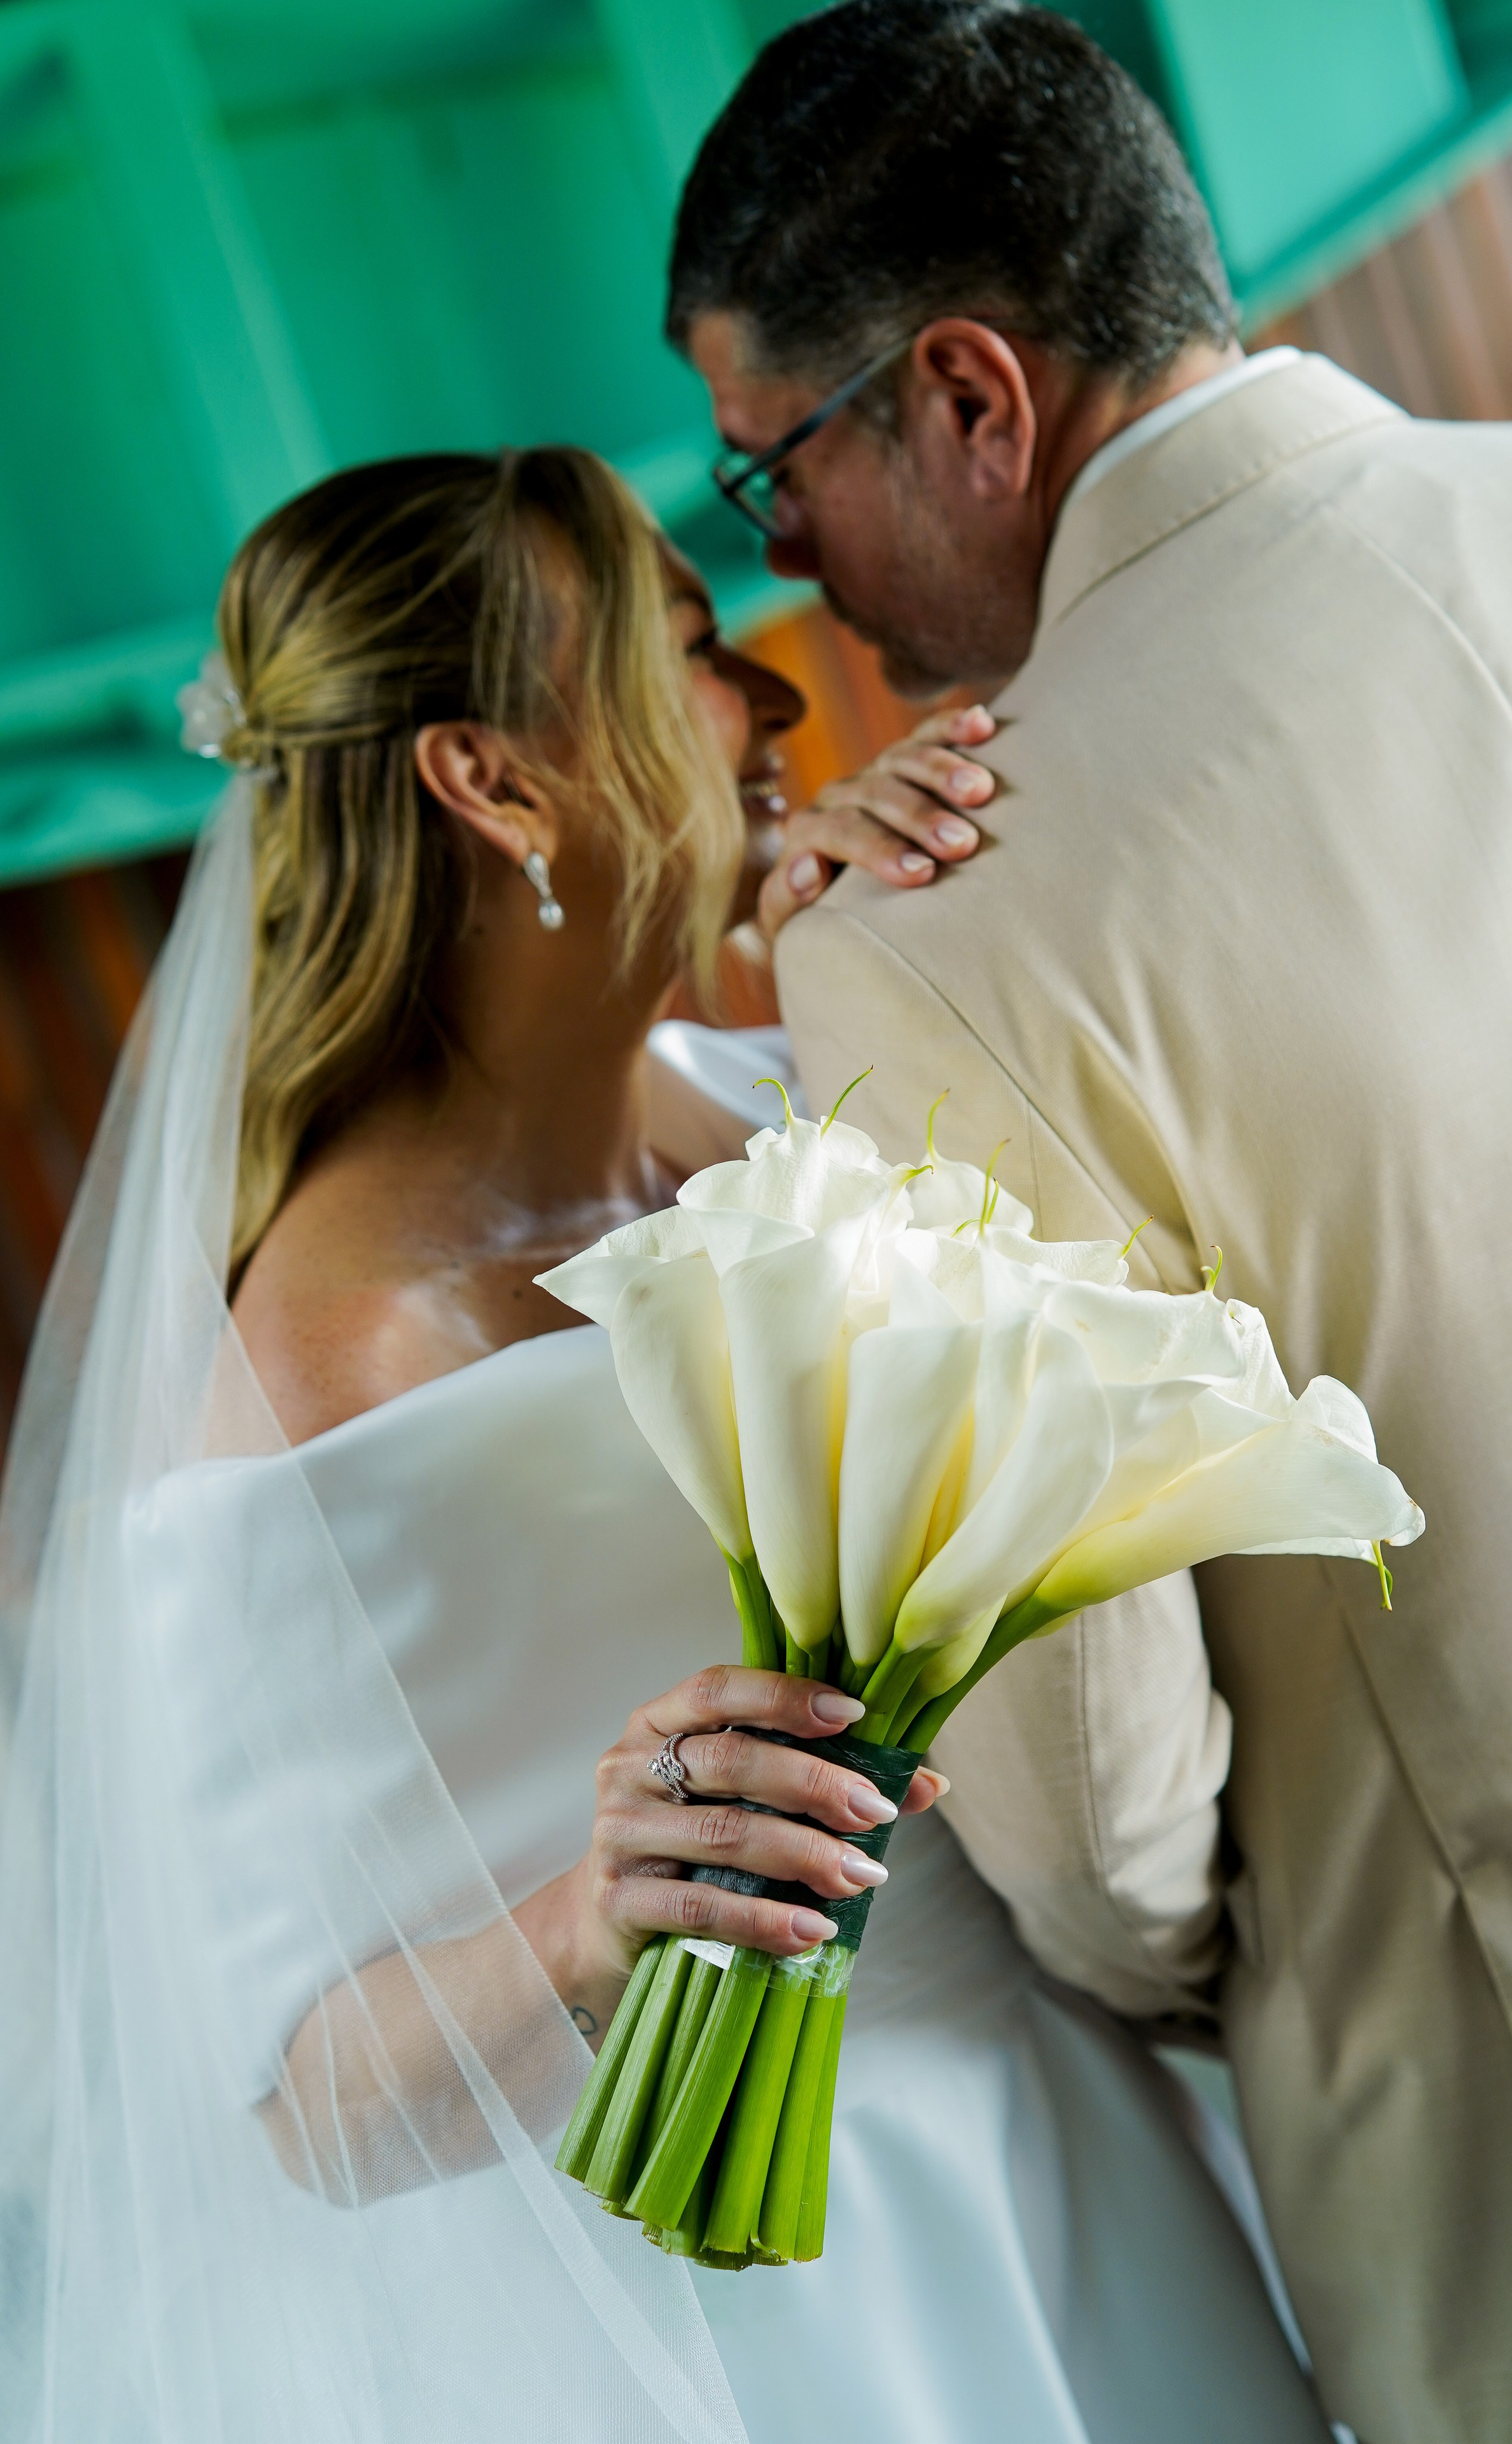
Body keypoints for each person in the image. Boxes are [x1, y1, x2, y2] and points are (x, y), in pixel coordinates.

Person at [0, 442, 1329, 2444]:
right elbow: (301, 2116)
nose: (780, 698)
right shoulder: (318, 1383)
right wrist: (590, 1919)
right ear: (498, 783)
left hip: (1075, 2131)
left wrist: (882, 941)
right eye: (695, 651)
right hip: (766, 2320)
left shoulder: (787, 1089)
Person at [668, 5, 1512, 2440]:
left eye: (770, 486)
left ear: (971, 397)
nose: (795, 588)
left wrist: (1249, 1964)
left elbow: (1096, 1804)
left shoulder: (937, 926)